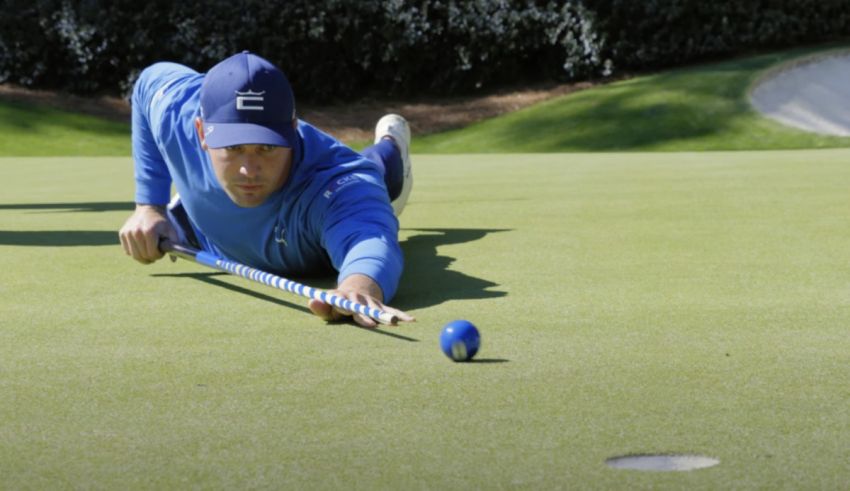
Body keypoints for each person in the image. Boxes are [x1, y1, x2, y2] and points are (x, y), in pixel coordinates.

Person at [118, 51, 414, 327]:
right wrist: (148, 206)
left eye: (266, 147)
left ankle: (391, 147)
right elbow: (147, 82)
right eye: (233, 147)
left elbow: (370, 243)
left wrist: (358, 286)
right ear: (201, 131)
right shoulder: (175, 110)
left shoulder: (333, 186)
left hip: (339, 210)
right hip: (211, 231)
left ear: (292, 130)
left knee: (376, 175)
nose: (249, 169)